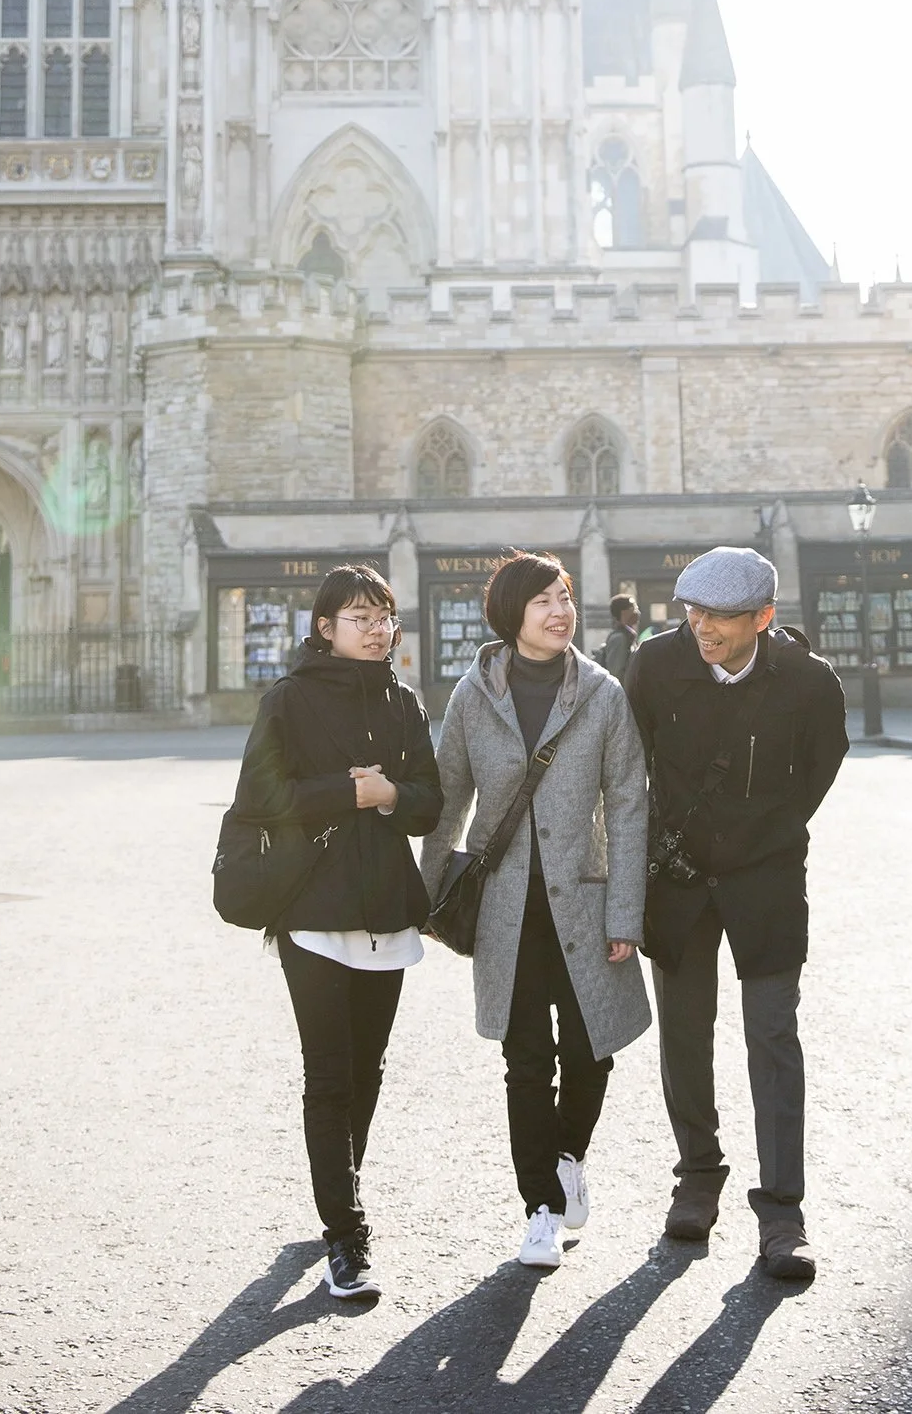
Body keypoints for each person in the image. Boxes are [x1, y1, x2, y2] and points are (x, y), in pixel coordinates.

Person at [625, 546, 848, 1285]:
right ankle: (696, 1177)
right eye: (692, 610)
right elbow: (630, 768)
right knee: (684, 1035)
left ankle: (782, 1212)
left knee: (773, 1037)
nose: (701, 627)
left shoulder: (811, 684)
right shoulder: (654, 667)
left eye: (719, 615)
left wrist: (762, 836)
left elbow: (817, 772)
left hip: (767, 882)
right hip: (678, 881)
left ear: (763, 617)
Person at [422, 551, 650, 1272]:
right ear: (510, 614)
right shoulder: (472, 695)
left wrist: (624, 914)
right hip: (504, 908)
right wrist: (426, 898)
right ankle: (541, 1210)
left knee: (591, 1049)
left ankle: (567, 1155)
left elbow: (628, 805)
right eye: (543, 600)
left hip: (582, 900)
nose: (559, 611)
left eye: (565, 597)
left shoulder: (603, 693)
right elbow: (446, 799)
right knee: (526, 1060)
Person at [230, 564, 442, 1301]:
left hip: (384, 905)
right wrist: (344, 792)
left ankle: (338, 1189)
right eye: (360, 616)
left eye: (384, 616)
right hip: (311, 909)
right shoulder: (287, 699)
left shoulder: (404, 699)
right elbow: (258, 796)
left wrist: (390, 796)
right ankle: (346, 1234)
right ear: (325, 627)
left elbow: (428, 805)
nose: (377, 628)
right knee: (328, 1075)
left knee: (368, 1069)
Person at [596, 594, 639, 680]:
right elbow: (616, 674)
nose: (637, 612)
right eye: (634, 609)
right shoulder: (619, 638)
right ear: (624, 612)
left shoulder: (628, 636)